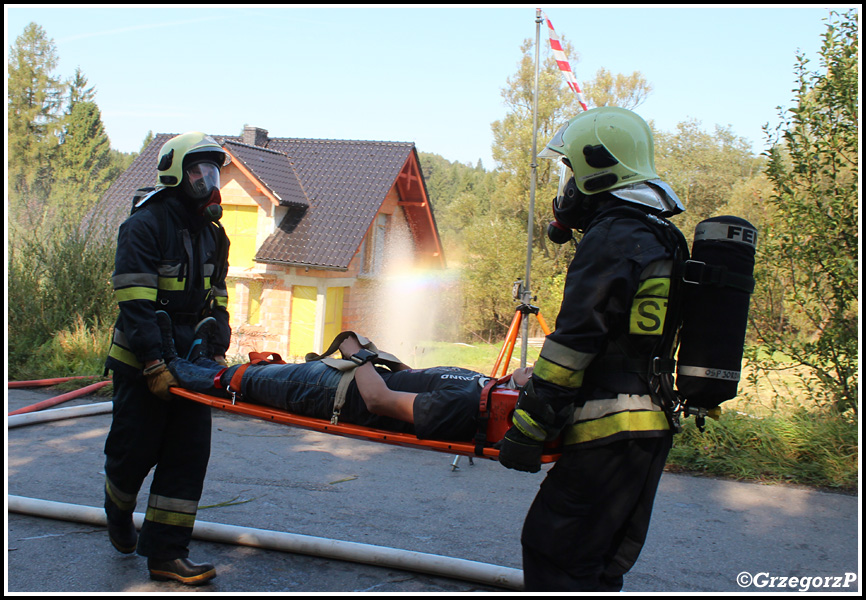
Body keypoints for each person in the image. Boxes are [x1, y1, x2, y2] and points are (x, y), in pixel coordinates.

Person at [497, 107, 688, 591]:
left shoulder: (613, 237)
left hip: (608, 429)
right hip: (647, 430)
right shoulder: (663, 235)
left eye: (571, 173)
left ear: (596, 171)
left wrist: (528, 426)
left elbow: (573, 346)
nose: (567, 188)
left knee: (555, 552)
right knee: (597, 565)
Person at [102, 132, 232, 586]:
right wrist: (154, 363)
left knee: (188, 455)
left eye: (213, 171)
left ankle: (166, 555)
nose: (208, 180)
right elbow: (135, 304)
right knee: (133, 452)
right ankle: (117, 509)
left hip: (193, 363)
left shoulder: (213, 234)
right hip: (143, 360)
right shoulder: (145, 225)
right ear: (175, 172)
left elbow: (217, 297)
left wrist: (218, 338)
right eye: (199, 170)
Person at [161, 322, 533, 442]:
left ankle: (175, 365)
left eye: (536, 372)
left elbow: (379, 401)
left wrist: (359, 354)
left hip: (335, 393)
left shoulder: (467, 405)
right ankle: (200, 362)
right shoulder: (490, 386)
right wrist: (381, 356)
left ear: (526, 393)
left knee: (251, 381)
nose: (532, 366)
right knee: (262, 375)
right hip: (343, 380)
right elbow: (416, 378)